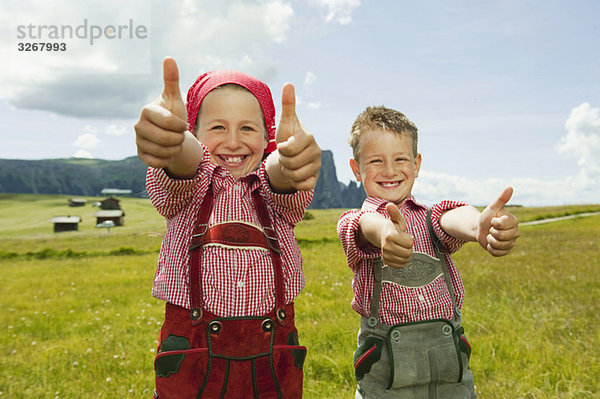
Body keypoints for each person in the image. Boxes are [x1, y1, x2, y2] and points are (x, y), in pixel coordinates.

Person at [134, 57, 322, 399]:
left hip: (272, 357)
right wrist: (174, 143)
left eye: (247, 128)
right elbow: (186, 162)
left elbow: (281, 174)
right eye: (218, 127)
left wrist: (289, 158)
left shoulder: (274, 193)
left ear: (267, 137)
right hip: (191, 357)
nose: (233, 142)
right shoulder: (186, 189)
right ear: (194, 131)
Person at [336, 106, 520, 398]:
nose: (390, 170)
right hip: (386, 376)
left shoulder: (431, 219)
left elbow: (453, 215)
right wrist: (384, 233)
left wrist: (477, 227)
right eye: (375, 161)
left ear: (417, 164)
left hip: (451, 374)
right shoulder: (356, 222)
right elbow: (364, 226)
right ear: (356, 168)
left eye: (400, 159)